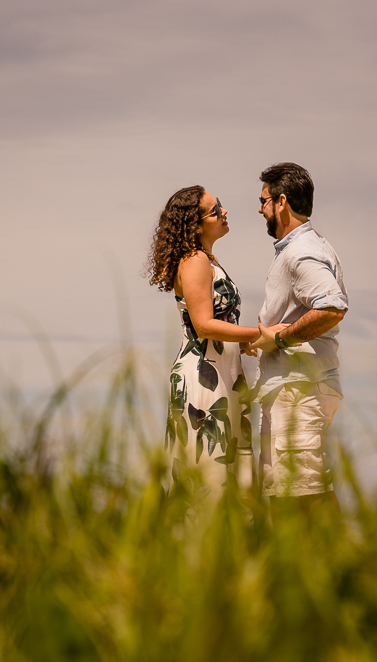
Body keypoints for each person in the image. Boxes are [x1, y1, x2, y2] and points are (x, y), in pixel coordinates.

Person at [145, 185, 287, 490]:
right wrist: (262, 335)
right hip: (203, 375)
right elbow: (205, 325)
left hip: (223, 371)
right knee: (209, 469)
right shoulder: (195, 261)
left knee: (226, 464)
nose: (224, 211)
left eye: (219, 205)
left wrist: (243, 341)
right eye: (214, 210)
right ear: (196, 226)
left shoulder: (207, 259)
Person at [250, 163, 348, 517]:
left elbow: (332, 307)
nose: (259, 209)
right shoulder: (299, 248)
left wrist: (281, 339)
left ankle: (355, 571)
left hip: (299, 388)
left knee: (304, 497)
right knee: (290, 495)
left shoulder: (301, 251)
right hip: (295, 386)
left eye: (263, 201)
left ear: (281, 202)